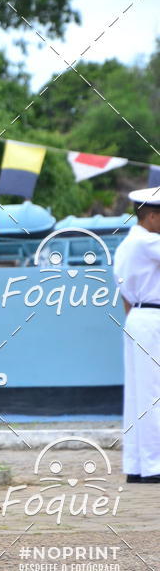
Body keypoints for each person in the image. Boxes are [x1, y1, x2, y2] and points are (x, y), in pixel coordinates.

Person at [113, 186, 160, 483]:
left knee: (138, 395)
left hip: (138, 317)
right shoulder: (148, 241)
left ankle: (137, 465)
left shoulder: (127, 244)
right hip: (153, 317)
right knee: (153, 394)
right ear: (152, 217)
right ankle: (154, 465)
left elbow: (124, 294)